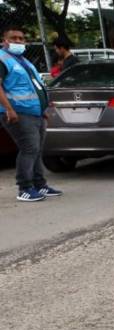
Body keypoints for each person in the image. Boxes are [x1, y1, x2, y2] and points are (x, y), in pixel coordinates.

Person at [0, 26, 62, 202]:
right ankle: (25, 188)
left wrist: (42, 109)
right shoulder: (2, 59)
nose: (18, 41)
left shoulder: (22, 60)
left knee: (37, 149)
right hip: (18, 113)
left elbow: (34, 86)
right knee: (29, 148)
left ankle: (40, 185)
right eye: (14, 38)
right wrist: (9, 109)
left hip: (35, 113)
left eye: (21, 38)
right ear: (4, 40)